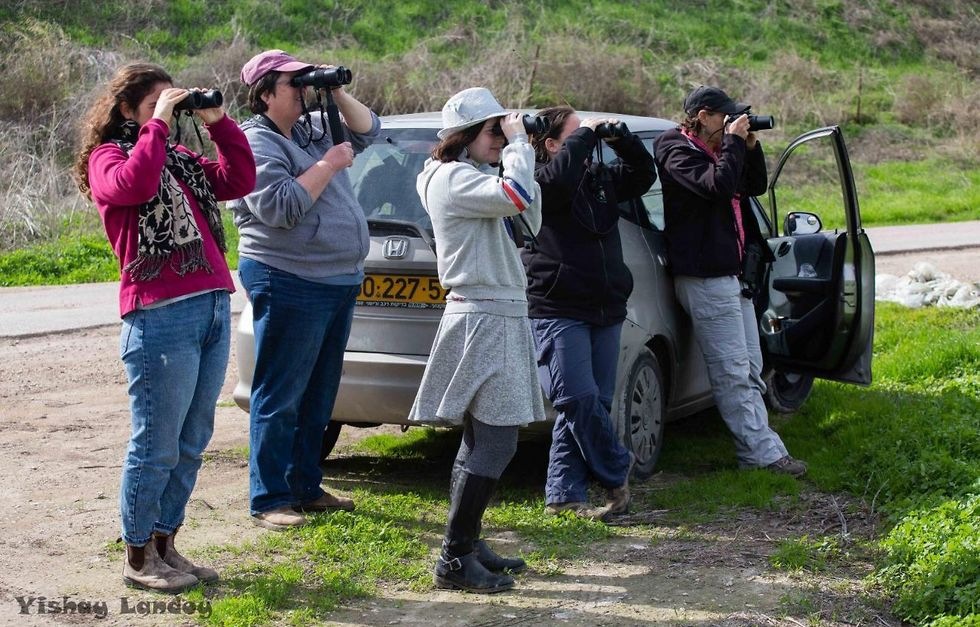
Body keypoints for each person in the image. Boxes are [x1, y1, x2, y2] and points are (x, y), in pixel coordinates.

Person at [74, 63, 256, 592]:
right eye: (156, 102)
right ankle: (136, 556)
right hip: (159, 313)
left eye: (171, 103)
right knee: (156, 442)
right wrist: (156, 125)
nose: (169, 111)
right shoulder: (109, 159)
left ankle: (163, 542)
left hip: (212, 305)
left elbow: (240, 179)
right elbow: (134, 185)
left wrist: (219, 122)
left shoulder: (178, 158)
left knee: (193, 438)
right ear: (127, 109)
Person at [230, 50, 381, 530]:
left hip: (335, 276)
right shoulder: (254, 142)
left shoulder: (310, 128)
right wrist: (331, 164)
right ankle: (270, 497)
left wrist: (333, 89)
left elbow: (370, 130)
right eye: (294, 83)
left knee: (319, 393)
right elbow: (280, 208)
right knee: (280, 392)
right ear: (266, 93)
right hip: (288, 276)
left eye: (304, 81)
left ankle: (304, 486)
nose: (302, 90)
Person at [411, 87, 545, 594]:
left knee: (481, 436)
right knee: (496, 437)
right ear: (464, 136)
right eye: (493, 130)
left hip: (495, 314)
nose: (500, 138)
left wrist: (524, 151)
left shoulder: (472, 175)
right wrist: (518, 150)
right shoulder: (451, 178)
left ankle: (468, 543)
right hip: (484, 315)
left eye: (501, 130)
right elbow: (516, 198)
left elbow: (530, 217)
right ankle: (453, 557)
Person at [654, 85, 806, 477]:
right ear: (703, 116)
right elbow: (716, 186)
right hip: (704, 277)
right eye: (726, 117)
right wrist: (733, 145)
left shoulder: (722, 148)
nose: (732, 123)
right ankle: (761, 454)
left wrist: (749, 147)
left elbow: (751, 186)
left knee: (751, 366)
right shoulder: (675, 149)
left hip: (733, 275)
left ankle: (759, 443)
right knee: (733, 370)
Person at [524, 106, 657, 520]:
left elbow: (643, 175)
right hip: (558, 305)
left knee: (592, 403)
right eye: (575, 134)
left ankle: (564, 496)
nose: (588, 138)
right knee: (575, 397)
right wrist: (584, 137)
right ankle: (618, 467)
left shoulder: (599, 180)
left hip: (605, 304)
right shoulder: (538, 181)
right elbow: (558, 183)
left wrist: (620, 139)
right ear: (551, 145)